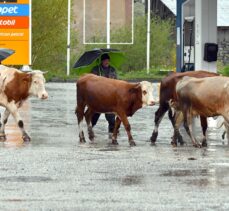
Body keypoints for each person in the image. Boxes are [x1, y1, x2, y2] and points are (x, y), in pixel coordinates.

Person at [91, 53, 117, 138]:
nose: (107, 62)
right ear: (102, 61)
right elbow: (91, 82)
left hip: (110, 97)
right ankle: (90, 130)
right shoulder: (95, 69)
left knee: (111, 118)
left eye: (108, 60)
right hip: (98, 97)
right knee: (94, 116)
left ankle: (111, 133)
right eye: (105, 60)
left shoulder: (113, 70)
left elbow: (116, 82)